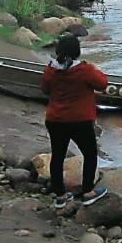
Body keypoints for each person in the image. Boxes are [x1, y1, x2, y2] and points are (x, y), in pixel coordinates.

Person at [41, 33, 109, 208]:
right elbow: (102, 83)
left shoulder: (51, 70)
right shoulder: (85, 70)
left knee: (57, 156)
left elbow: (45, 89)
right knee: (90, 153)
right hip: (80, 120)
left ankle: (61, 196)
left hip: (55, 119)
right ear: (77, 51)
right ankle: (88, 192)